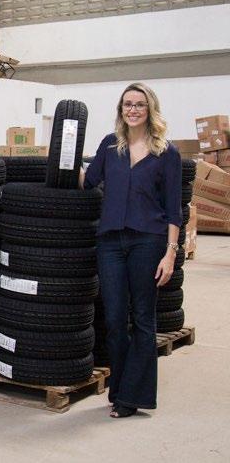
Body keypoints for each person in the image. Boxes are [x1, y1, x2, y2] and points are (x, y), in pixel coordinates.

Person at [81, 82, 182, 418]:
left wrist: (170, 253)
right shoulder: (110, 146)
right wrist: (59, 159)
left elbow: (174, 210)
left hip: (148, 242)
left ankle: (131, 398)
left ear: (150, 109)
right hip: (110, 242)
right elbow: (88, 180)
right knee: (113, 319)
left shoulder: (166, 153)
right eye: (128, 104)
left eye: (139, 104)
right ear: (121, 109)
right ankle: (119, 390)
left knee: (142, 319)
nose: (133, 110)